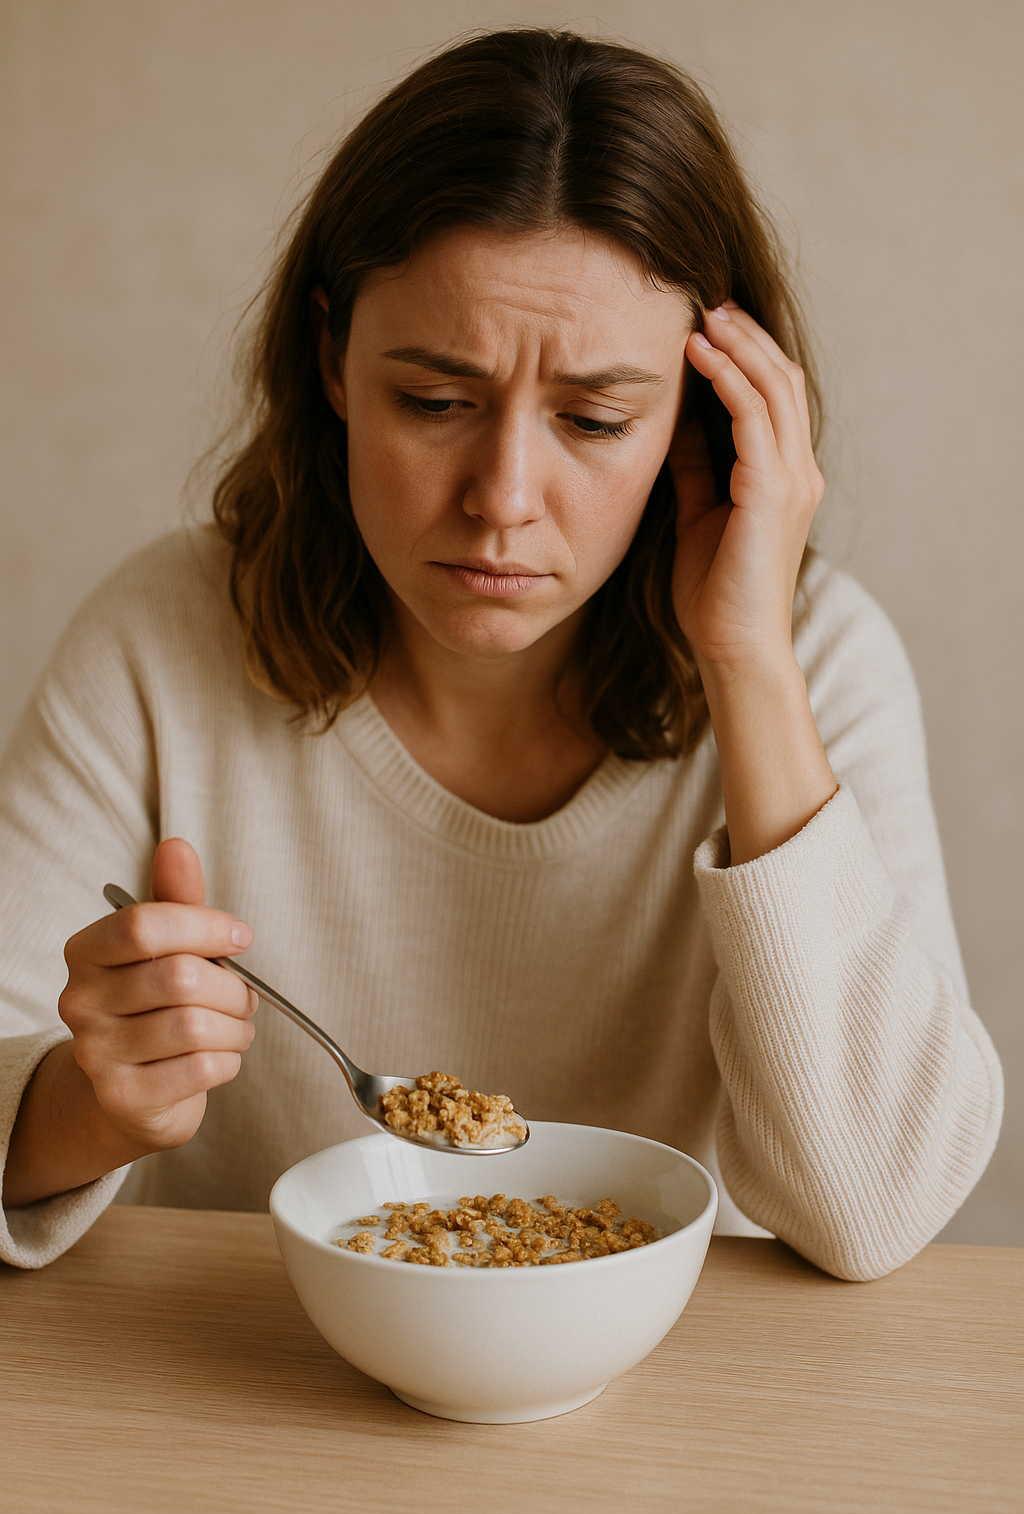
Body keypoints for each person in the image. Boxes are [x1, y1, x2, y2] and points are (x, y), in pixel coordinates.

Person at [0, 29, 1001, 1279]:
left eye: (593, 419)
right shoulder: (161, 642)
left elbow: (876, 1210)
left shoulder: (816, 662)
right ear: (332, 362)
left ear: (697, 419)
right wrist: (91, 1107)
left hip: (682, 1428)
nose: (503, 498)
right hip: (247, 1402)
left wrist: (748, 660)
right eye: (434, 402)